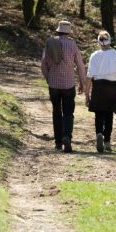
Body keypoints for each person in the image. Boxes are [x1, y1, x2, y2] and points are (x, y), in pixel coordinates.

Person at [41, 20, 87, 153]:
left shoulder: (50, 43)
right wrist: (82, 83)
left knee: (56, 112)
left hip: (54, 84)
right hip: (68, 84)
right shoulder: (72, 45)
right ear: (68, 32)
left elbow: (43, 64)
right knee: (68, 112)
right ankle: (67, 136)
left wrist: (48, 78)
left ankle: (58, 143)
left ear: (58, 30)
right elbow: (80, 65)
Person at [85, 30, 116, 153]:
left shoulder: (94, 55)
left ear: (98, 42)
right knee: (109, 114)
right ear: (109, 41)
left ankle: (99, 133)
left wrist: (87, 95)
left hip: (98, 87)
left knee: (99, 113)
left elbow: (89, 77)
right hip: (112, 87)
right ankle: (107, 141)